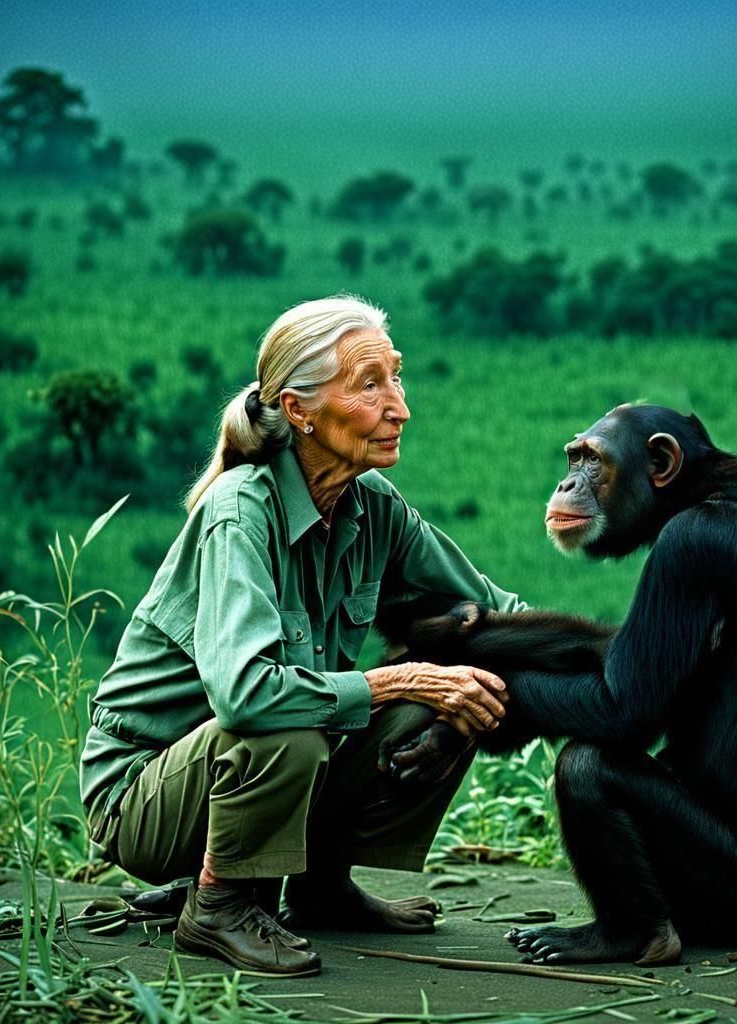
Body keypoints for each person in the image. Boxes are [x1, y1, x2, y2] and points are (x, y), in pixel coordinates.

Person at [79, 295, 523, 977]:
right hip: (144, 798)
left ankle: (320, 886)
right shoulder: (240, 513)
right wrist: (395, 678)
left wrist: (634, 660)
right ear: (299, 409)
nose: (398, 406)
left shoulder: (374, 508)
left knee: (452, 687)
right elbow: (246, 699)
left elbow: (497, 615)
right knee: (292, 719)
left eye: (396, 378)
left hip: (251, 772)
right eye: (369, 384)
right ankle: (219, 902)